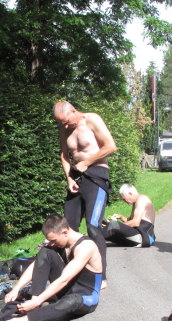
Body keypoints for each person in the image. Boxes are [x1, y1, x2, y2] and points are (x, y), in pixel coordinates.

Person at [0, 214, 102, 321]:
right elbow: (36, 265)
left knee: (71, 301)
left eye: (54, 240)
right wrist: (17, 288)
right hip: (67, 289)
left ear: (65, 232)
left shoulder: (86, 246)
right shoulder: (61, 241)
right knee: (45, 251)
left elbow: (64, 279)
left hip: (86, 296)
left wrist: (37, 301)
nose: (52, 243)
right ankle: (35, 302)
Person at [53, 101, 117, 288]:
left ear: (73, 110)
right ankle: (69, 273)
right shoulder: (64, 128)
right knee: (67, 228)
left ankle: (99, 276)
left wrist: (87, 162)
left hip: (97, 175)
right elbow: (64, 155)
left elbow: (111, 146)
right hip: (76, 178)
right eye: (61, 123)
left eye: (66, 121)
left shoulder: (92, 119)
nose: (64, 126)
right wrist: (69, 179)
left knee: (93, 225)